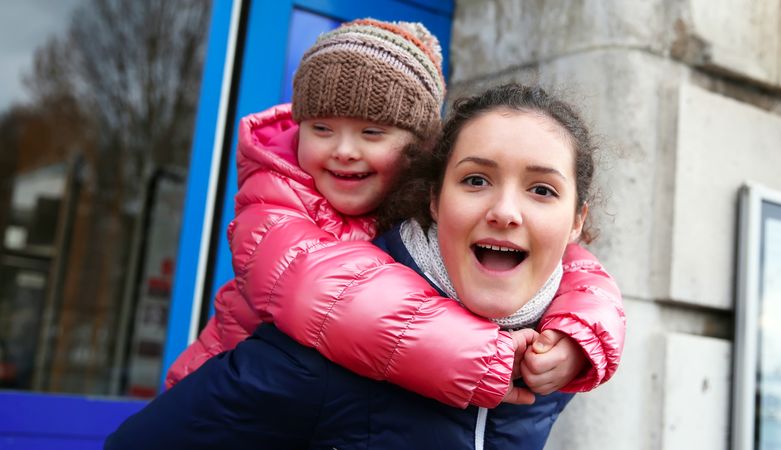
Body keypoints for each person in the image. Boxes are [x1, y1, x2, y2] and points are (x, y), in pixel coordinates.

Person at [106, 82, 624, 450]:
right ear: (434, 201)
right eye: (475, 180)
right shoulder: (329, 350)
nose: (505, 212)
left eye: (541, 190)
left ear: (576, 222)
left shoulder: (554, 365)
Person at [165, 18, 624, 410]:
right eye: (321, 128)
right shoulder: (274, 201)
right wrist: (483, 358)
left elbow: (576, 269)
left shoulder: (423, 217)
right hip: (214, 406)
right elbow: (336, 299)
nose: (344, 151)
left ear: (420, 151)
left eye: (371, 131)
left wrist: (579, 336)